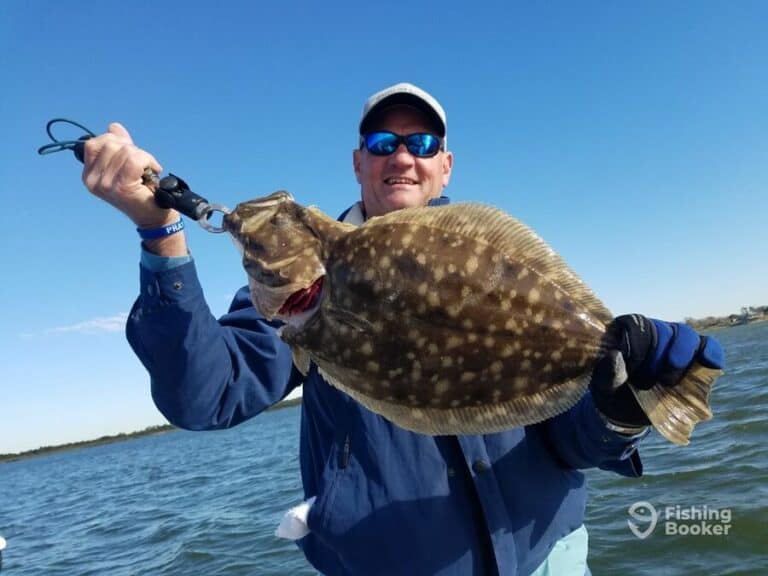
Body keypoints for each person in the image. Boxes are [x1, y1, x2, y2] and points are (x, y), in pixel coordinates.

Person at [82, 82, 724, 576]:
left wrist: (622, 407)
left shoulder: (494, 277)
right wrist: (161, 233)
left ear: (446, 166)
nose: (403, 158)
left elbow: (573, 445)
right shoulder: (297, 298)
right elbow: (207, 394)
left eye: (421, 144)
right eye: (383, 144)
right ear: (358, 163)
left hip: (549, 556)